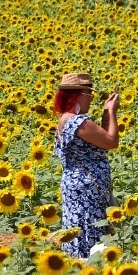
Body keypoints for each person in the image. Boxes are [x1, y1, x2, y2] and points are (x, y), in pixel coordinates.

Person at [53, 72, 120, 258]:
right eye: (89, 95)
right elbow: (112, 142)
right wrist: (112, 112)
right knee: (90, 230)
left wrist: (106, 114)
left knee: (78, 229)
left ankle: (78, 265)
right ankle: (89, 267)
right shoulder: (78, 122)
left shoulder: (66, 119)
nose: (91, 99)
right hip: (87, 190)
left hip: (77, 185)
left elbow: (102, 142)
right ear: (78, 95)